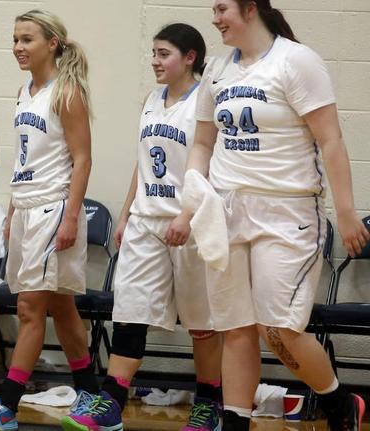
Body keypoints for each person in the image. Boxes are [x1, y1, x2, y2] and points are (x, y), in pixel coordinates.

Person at [185, 1, 370, 430]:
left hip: (287, 213)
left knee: (279, 331)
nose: (214, 18)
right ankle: (235, 421)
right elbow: (202, 143)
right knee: (235, 328)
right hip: (227, 211)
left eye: (222, 8)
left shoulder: (296, 61)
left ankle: (339, 402)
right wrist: (194, 185)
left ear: (251, 9)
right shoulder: (217, 69)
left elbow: (332, 140)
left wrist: (345, 212)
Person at [61, 23, 223, 431]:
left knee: (201, 323)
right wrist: (129, 210)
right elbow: (143, 159)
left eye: (164, 53)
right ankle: (112, 402)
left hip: (189, 222)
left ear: (190, 57)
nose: (155, 60)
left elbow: (211, 167)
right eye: (153, 52)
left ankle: (209, 405)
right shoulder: (153, 99)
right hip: (146, 222)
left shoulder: (206, 101)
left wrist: (188, 215)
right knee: (130, 312)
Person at [0, 9, 95, 431]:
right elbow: (26, 159)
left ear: (52, 43)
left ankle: (6, 404)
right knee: (61, 304)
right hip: (25, 207)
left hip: (52, 208)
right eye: (15, 39)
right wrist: (9, 211)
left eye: (27, 39)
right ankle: (92, 395)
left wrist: (71, 216)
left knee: (28, 307)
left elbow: (82, 159)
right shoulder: (26, 91)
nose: (18, 47)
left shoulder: (67, 91)